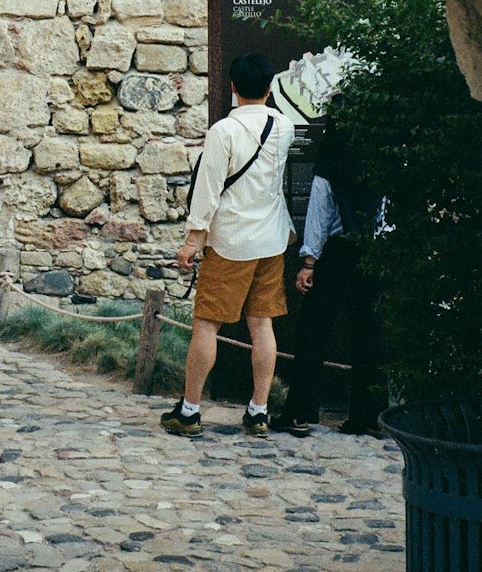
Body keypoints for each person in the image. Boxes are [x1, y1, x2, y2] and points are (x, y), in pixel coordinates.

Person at [161, 52, 295, 439]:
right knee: (262, 324)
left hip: (231, 241)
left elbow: (208, 190)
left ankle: (189, 411)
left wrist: (192, 240)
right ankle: (258, 411)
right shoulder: (283, 128)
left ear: (232, 87)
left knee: (206, 324)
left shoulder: (223, 132)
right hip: (271, 240)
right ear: (270, 89)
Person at [272, 124, 384, 436]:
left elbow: (320, 213)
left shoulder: (332, 159)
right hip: (372, 252)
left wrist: (309, 261)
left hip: (337, 253)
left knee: (313, 331)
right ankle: (369, 414)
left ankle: (301, 411)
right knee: (368, 334)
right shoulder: (381, 157)